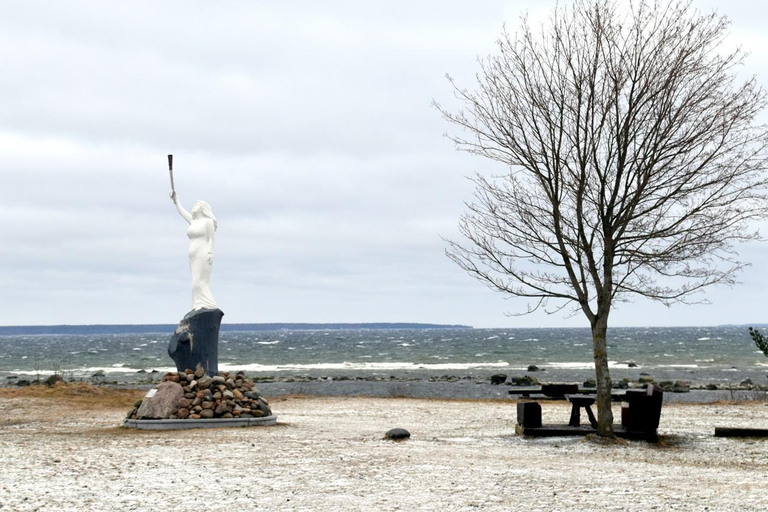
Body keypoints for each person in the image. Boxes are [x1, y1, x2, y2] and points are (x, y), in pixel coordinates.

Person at [170, 191, 218, 311]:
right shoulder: (194, 221)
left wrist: (210, 252)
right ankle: (197, 304)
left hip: (203, 253)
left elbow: (211, 239)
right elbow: (181, 211)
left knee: (200, 281)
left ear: (203, 208)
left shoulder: (208, 222)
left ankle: (206, 303)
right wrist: (176, 200)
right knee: (194, 281)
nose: (194, 207)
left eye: (197, 205)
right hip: (193, 255)